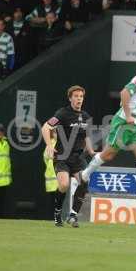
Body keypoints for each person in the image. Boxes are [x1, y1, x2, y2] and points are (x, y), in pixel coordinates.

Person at [80, 59, 136, 207]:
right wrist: (128, 115)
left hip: (134, 126)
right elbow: (124, 94)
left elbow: (132, 101)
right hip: (124, 123)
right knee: (108, 154)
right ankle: (84, 174)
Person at [42, 85, 96, 227]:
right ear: (70, 98)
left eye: (81, 96)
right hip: (62, 157)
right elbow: (45, 127)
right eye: (76, 96)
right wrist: (49, 145)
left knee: (84, 183)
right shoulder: (62, 113)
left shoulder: (86, 117)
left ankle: (72, 215)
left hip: (78, 158)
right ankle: (57, 212)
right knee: (64, 185)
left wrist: (91, 151)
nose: (79, 99)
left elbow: (87, 136)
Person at [43, 129, 58, 219]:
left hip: (61, 177)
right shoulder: (50, 143)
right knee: (52, 201)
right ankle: (51, 219)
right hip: (52, 178)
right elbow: (46, 158)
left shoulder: (66, 143)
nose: (57, 134)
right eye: (55, 132)